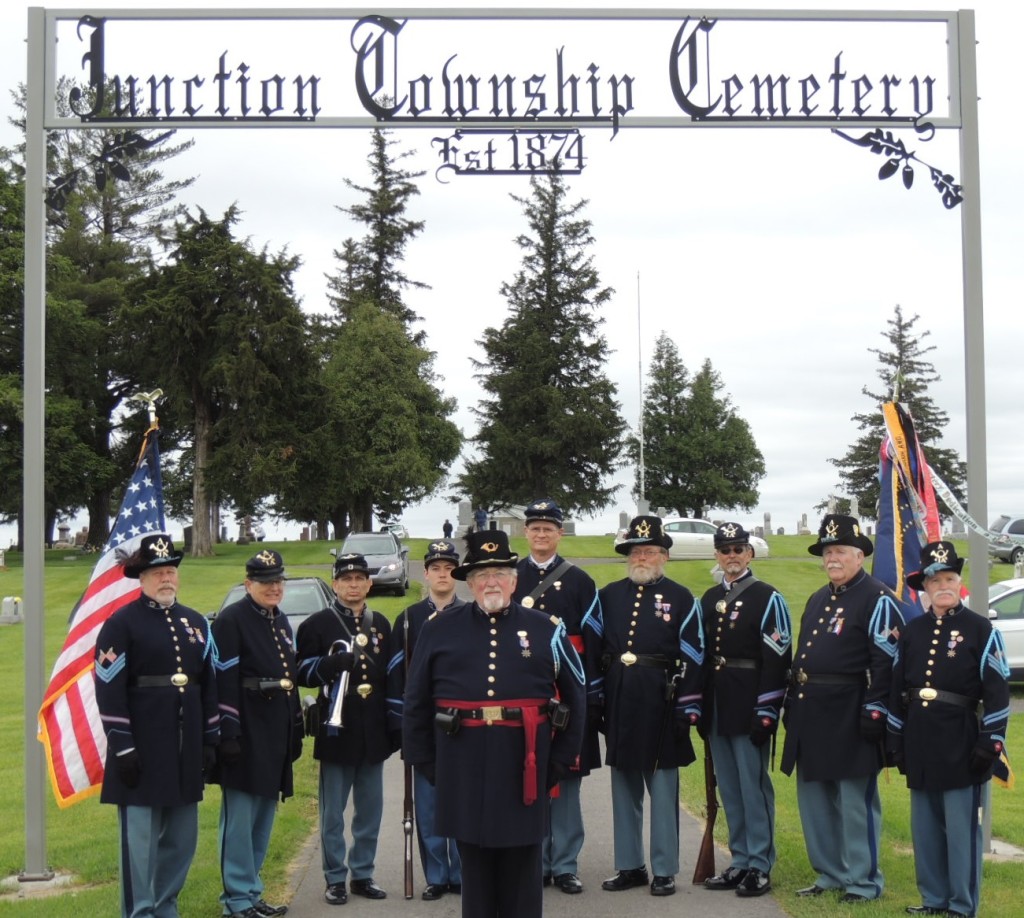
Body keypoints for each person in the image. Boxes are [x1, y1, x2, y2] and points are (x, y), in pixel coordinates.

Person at [402, 530, 586, 918]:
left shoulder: (546, 629)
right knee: (476, 870)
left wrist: (560, 762)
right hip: (462, 764)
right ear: (469, 583)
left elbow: (576, 696)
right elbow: (416, 700)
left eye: (500, 573)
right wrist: (428, 763)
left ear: (515, 580)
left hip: (525, 765)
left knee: (523, 870)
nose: (491, 582)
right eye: (482, 575)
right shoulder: (438, 629)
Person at [780, 513, 906, 903]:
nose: (832, 558)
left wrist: (876, 711)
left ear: (860, 556)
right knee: (815, 799)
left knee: (855, 803)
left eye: (840, 551)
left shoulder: (879, 598)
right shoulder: (820, 597)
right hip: (811, 712)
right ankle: (829, 873)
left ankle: (863, 881)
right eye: (827, 551)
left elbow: (887, 663)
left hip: (852, 713)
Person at [93, 534, 220, 918]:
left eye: (170, 571)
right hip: (142, 749)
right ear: (141, 577)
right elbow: (108, 689)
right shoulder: (120, 624)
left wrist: (210, 738)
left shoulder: (196, 623)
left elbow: (209, 682)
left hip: (186, 748)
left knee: (182, 840)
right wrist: (123, 746)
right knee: (141, 842)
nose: (166, 578)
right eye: (157, 572)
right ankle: (141, 911)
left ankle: (167, 907)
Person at [889, 541, 1010, 918]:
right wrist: (895, 738)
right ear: (923, 587)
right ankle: (933, 899)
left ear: (960, 582)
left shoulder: (979, 629)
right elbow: (896, 689)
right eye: (934, 580)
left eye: (950, 578)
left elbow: (998, 692)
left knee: (961, 833)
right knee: (924, 829)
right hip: (920, 740)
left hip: (961, 741)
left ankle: (961, 904)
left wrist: (990, 741)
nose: (943, 585)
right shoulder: (912, 631)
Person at [598, 515, 704, 898]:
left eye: (650, 551)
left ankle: (664, 869)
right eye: (636, 551)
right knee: (623, 786)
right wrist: (597, 697)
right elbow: (597, 650)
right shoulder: (608, 595)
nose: (641, 557)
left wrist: (687, 708)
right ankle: (630, 865)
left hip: (662, 701)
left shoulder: (681, 598)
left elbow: (694, 653)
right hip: (620, 699)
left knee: (661, 790)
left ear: (665, 556)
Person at [512, 497, 603, 894]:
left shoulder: (581, 581)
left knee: (566, 778)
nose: (541, 534)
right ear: (526, 533)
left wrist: (590, 694)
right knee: (527, 776)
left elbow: (595, 642)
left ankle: (565, 864)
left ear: (559, 533)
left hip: (568, 692)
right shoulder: (511, 575)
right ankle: (533, 860)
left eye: (549, 528)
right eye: (535, 528)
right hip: (525, 693)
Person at [296, 553, 395, 906]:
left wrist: (393, 724)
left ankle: (363, 873)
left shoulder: (381, 623)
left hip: (373, 727)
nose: (353, 585)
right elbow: (301, 674)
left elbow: (391, 677)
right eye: (346, 579)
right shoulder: (317, 625)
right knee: (333, 812)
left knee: (370, 810)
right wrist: (328, 664)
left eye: (360, 579)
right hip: (336, 726)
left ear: (369, 583)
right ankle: (335, 877)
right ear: (335, 583)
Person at [699, 523, 792, 898]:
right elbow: (700, 657)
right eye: (725, 549)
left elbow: (778, 659)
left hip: (751, 702)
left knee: (753, 788)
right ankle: (739, 860)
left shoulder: (768, 598)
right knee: (731, 787)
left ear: (750, 554)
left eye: (739, 549)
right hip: (717, 704)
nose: (732, 555)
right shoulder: (707, 599)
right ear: (717, 555)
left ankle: (760, 864)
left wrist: (768, 710)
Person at [210, 549, 304, 918]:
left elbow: (290, 680)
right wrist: (228, 733)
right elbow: (223, 679)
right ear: (248, 583)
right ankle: (235, 900)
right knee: (239, 822)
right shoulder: (232, 620)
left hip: (273, 732)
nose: (274, 588)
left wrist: (294, 725)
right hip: (245, 732)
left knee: (263, 816)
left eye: (278, 581)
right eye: (266, 582)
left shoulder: (280, 621)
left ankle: (251, 892)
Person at [386, 540, 465, 901]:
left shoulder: (472, 614)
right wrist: (403, 726)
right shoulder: (408, 619)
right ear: (426, 573)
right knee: (429, 802)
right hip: (425, 723)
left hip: (464, 722)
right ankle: (436, 874)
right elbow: (396, 678)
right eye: (436, 568)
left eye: (450, 568)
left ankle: (463, 872)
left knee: (462, 800)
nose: (443, 574)